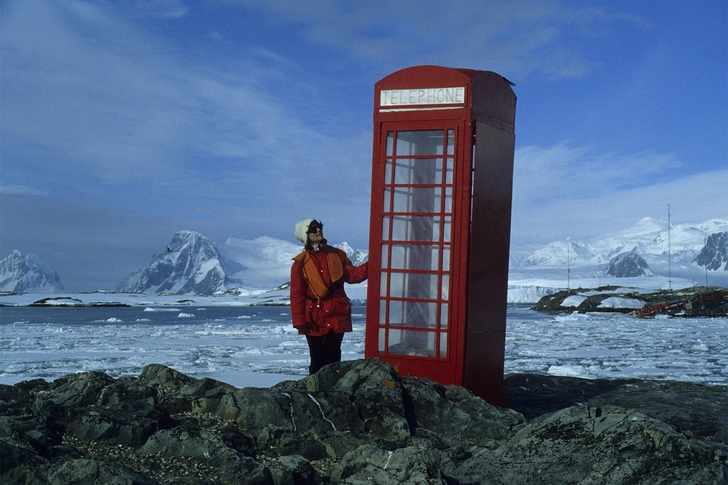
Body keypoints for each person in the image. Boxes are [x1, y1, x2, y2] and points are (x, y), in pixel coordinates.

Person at [290, 219, 368, 374]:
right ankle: (316, 394)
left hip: (337, 312)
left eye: (319, 227)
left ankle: (331, 395)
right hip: (314, 317)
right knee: (317, 359)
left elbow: (353, 276)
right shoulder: (300, 264)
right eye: (313, 229)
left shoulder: (337, 255)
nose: (318, 230)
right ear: (305, 236)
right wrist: (299, 321)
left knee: (333, 357)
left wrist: (372, 264)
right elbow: (297, 295)